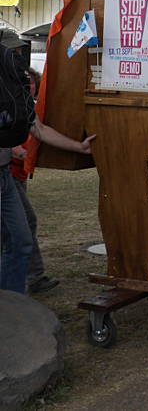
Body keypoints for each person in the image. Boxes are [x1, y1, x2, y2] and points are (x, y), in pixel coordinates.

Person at [1, 39, 96, 293]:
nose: (18, 63)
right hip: (7, 175)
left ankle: (13, 303)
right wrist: (14, 150)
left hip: (5, 178)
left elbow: (39, 129)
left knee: (20, 239)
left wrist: (79, 147)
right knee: (15, 238)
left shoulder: (15, 95)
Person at [10, 68, 60, 293]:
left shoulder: (28, 106)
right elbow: (14, 146)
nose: (28, 86)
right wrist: (23, 153)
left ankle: (33, 278)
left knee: (23, 227)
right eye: (24, 82)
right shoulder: (9, 102)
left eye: (30, 82)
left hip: (18, 175)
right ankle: (24, 283)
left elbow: (40, 131)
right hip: (8, 174)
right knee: (21, 227)